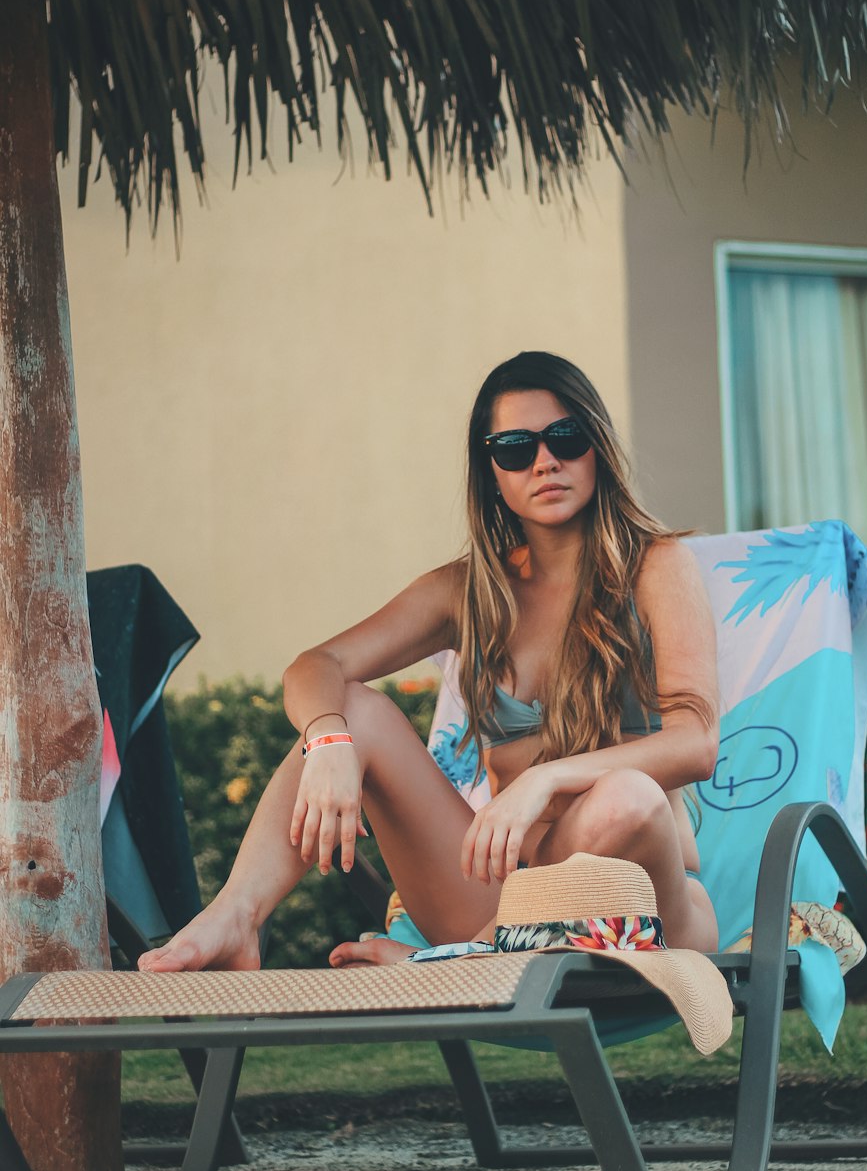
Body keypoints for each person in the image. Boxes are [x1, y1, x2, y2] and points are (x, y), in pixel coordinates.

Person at [139, 352, 720, 974]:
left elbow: (697, 744)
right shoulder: (470, 593)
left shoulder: (656, 566)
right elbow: (318, 664)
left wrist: (545, 779)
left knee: (624, 798)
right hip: (496, 898)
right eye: (516, 448)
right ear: (490, 469)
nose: (545, 462)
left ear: (598, 447)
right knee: (353, 708)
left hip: (641, 906)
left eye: (566, 438)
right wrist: (329, 741)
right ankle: (237, 917)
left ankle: (448, 963)